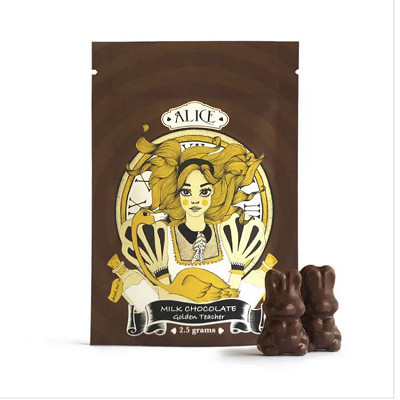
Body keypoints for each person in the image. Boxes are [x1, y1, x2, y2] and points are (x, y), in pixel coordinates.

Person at [119, 136, 268, 307]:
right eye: (186, 192)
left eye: (204, 192)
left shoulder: (232, 235)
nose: (195, 200)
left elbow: (234, 294)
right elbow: (165, 298)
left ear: (215, 193)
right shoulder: (161, 238)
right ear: (175, 193)